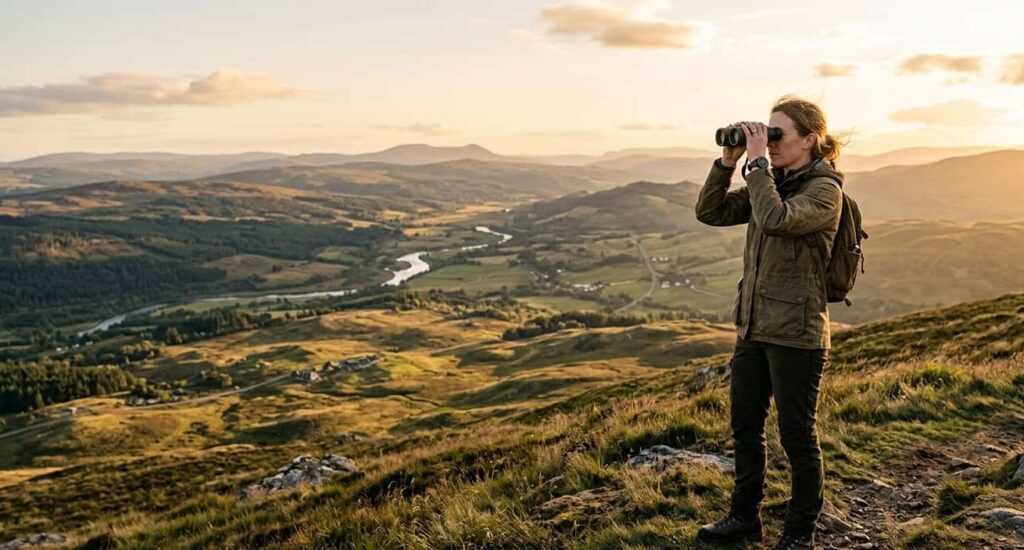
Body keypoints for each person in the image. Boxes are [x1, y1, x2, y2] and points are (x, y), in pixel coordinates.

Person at [693, 95, 848, 550]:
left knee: (797, 435)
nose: (771, 142)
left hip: (797, 334)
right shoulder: (772, 182)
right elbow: (711, 212)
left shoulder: (824, 192)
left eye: (777, 135)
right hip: (754, 326)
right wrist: (728, 161)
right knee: (745, 426)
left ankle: (800, 533)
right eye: (767, 132)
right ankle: (744, 518)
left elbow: (776, 219)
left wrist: (758, 166)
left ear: (810, 140)